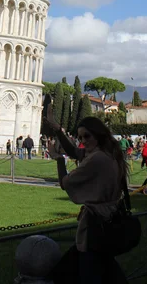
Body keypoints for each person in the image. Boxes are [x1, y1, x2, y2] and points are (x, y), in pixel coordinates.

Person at [44, 109, 128, 283]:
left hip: (95, 226)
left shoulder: (97, 159)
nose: (83, 141)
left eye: (87, 136)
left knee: (87, 271)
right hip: (108, 221)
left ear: (98, 135)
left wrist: (59, 159)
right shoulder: (110, 154)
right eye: (80, 137)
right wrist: (58, 130)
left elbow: (65, 182)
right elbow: (75, 152)